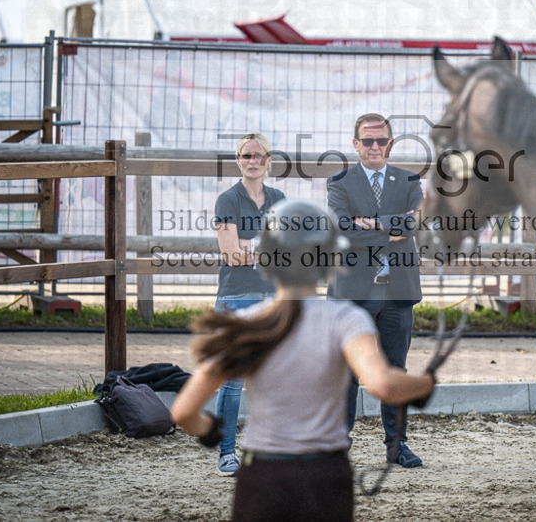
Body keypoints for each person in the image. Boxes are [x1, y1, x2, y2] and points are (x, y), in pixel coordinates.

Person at [171, 199, 435, 522]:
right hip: (324, 476)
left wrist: (209, 430)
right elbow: (383, 384)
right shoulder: (346, 319)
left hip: (261, 476)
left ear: (266, 259)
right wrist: (424, 385)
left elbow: (183, 411)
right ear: (330, 259)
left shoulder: (249, 323)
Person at [327, 112, 425, 468]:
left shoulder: (409, 180)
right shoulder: (339, 182)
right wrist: (391, 228)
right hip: (354, 292)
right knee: (348, 373)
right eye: (367, 140)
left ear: (390, 143)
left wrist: (371, 224)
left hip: (397, 291)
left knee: (395, 370)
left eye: (381, 140)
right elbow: (342, 228)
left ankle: (397, 446)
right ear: (355, 144)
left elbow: (415, 222)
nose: (374, 146)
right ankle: (337, 446)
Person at [209, 132, 285, 476]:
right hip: (236, 297)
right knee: (234, 380)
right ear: (238, 161)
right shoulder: (228, 200)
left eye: (258, 156)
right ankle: (227, 452)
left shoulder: (280, 198)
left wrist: (251, 246)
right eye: (245, 156)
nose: (252, 161)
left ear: (269, 161)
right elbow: (231, 255)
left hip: (273, 296)